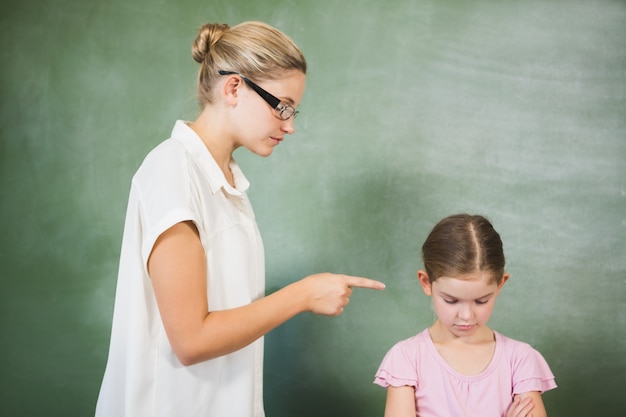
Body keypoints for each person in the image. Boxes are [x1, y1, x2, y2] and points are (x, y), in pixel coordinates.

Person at [95, 21, 385, 417]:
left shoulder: (226, 182)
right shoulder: (172, 172)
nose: (290, 125)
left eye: (294, 110)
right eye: (281, 105)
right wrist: (303, 295)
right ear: (234, 88)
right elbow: (191, 339)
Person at [374, 214, 556, 417]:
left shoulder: (520, 360)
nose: (467, 315)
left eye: (481, 301)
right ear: (426, 283)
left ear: (500, 285)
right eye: (451, 301)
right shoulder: (407, 358)